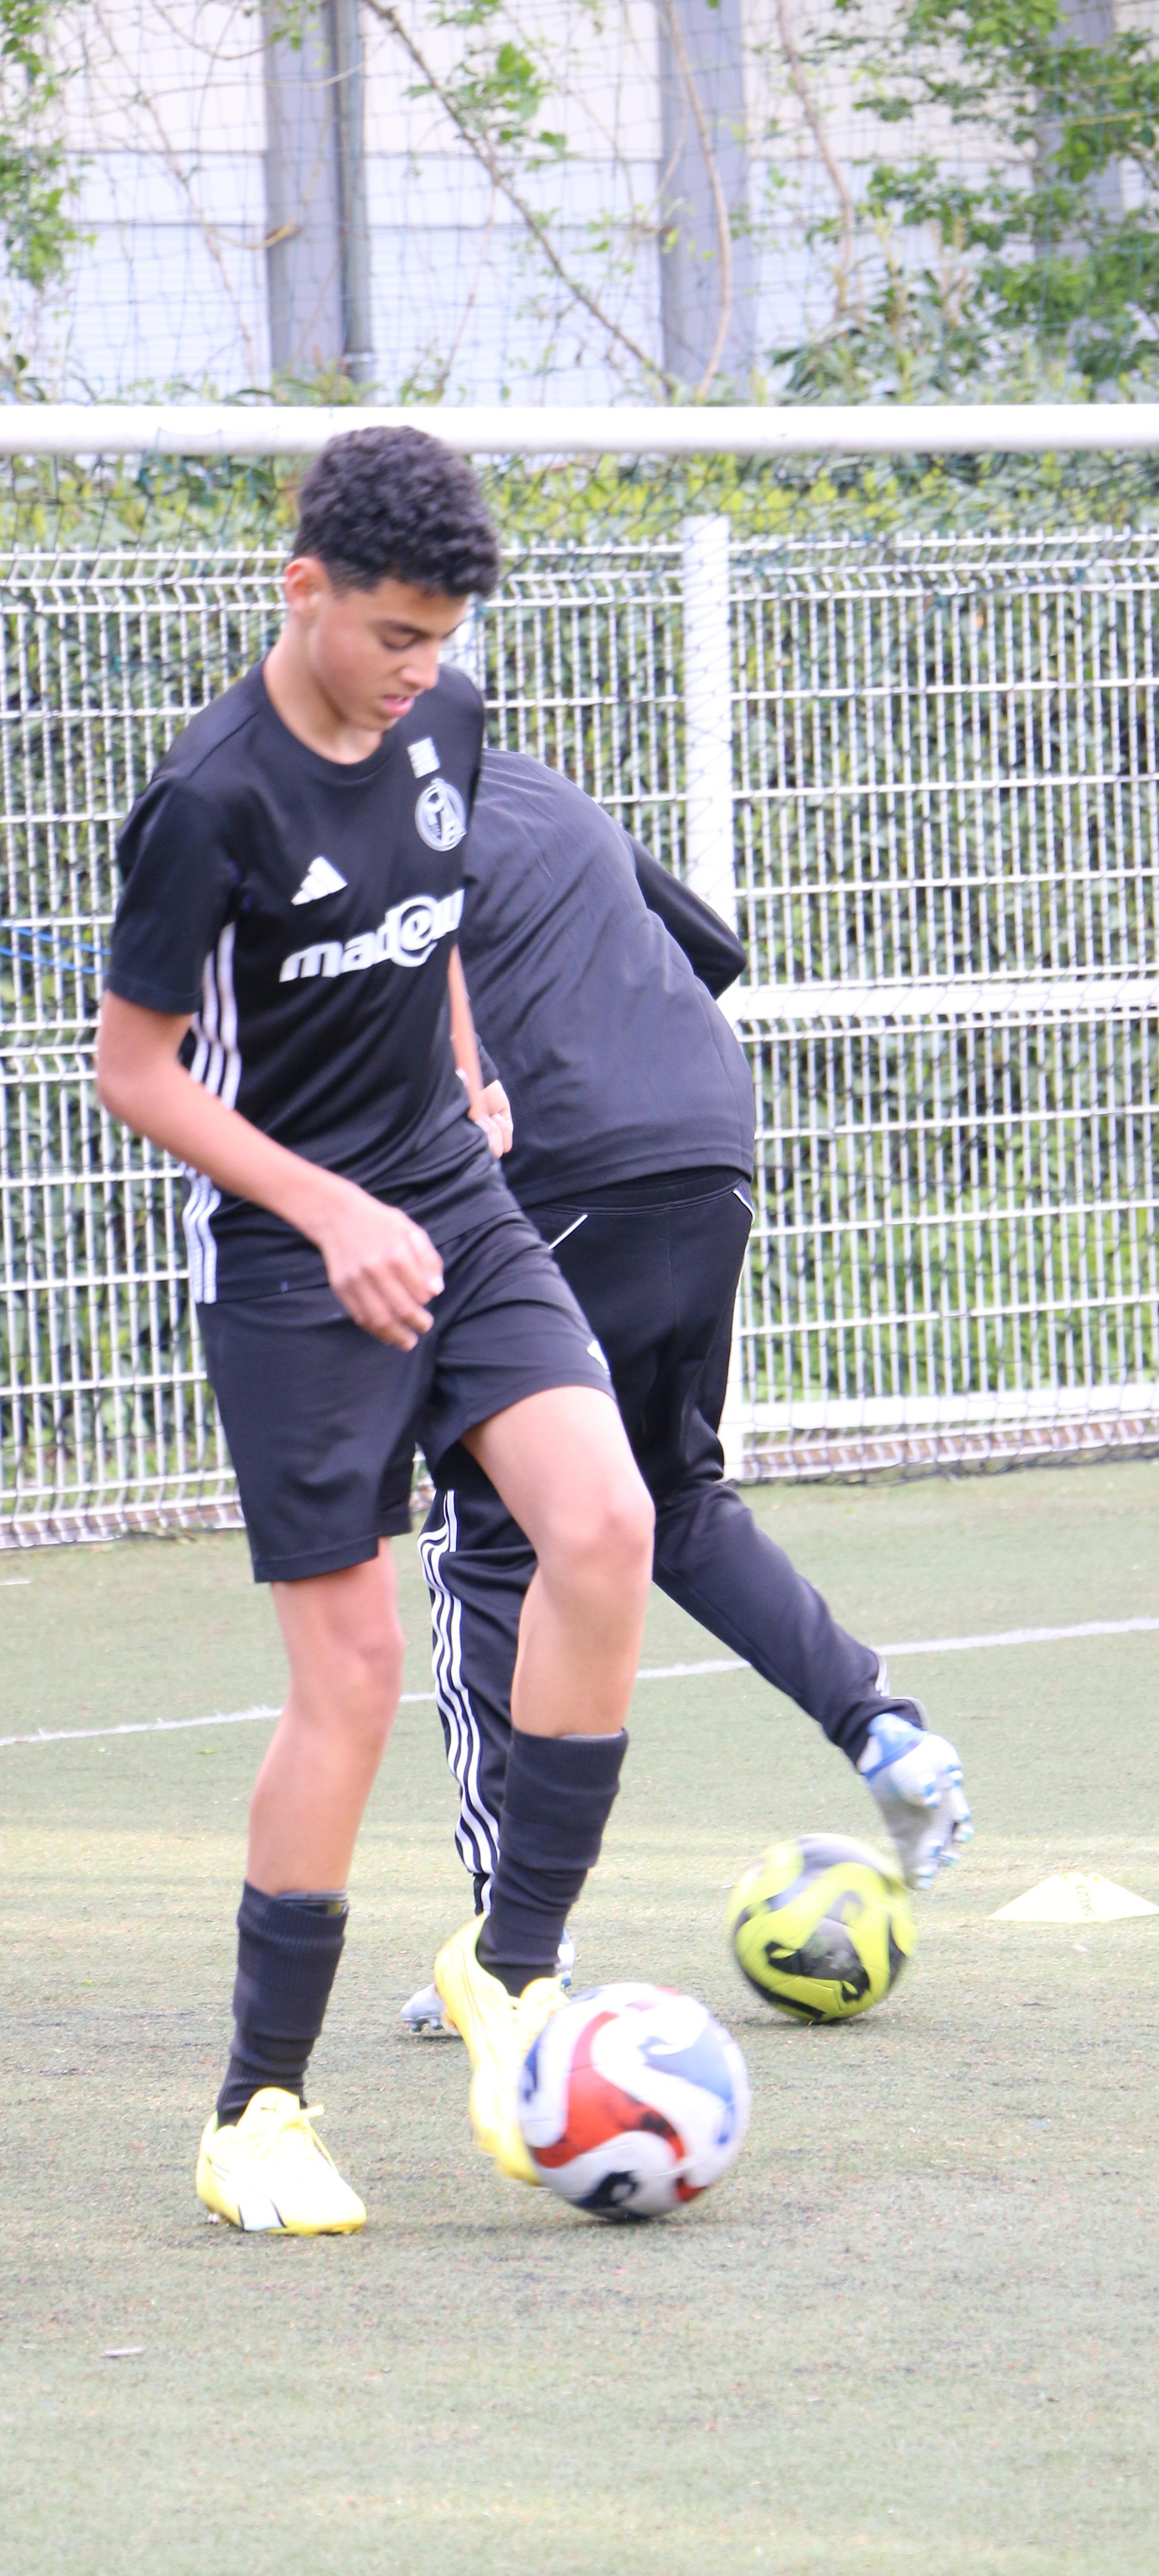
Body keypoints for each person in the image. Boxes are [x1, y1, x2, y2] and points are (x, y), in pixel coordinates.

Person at [97, 429, 655, 2234]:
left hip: (449, 1198)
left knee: (608, 1525)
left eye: (443, 636)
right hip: (290, 1259)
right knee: (346, 1681)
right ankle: (257, 2111)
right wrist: (330, 1209)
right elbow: (134, 1074)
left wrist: (471, 1081)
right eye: (395, 633)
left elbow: (438, 935)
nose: (421, 668)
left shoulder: (447, 721)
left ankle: (517, 1960)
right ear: (306, 589)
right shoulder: (210, 800)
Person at [402, 750, 971, 2031]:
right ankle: (883, 1729)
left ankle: (512, 1954)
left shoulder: (365, 816)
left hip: (555, 1162)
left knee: (492, 1534)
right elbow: (706, 951)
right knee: (673, 1496)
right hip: (708, 1139)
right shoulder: (538, 787)